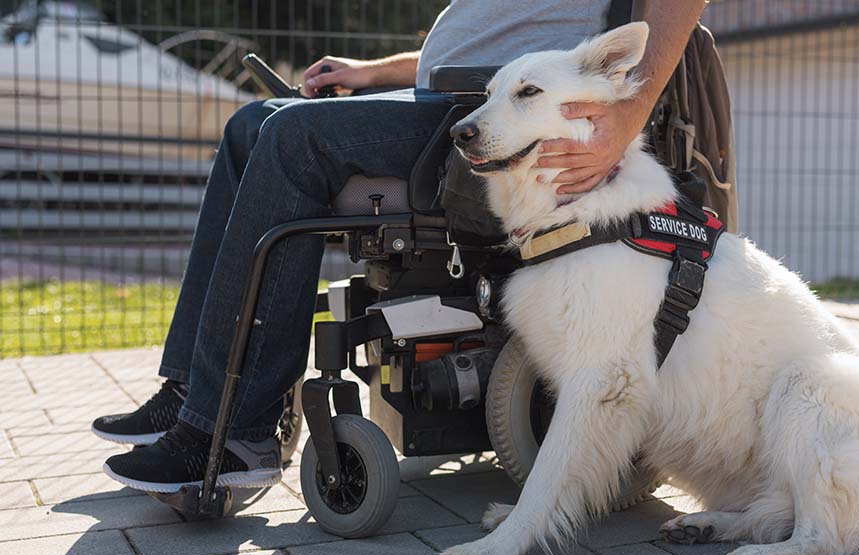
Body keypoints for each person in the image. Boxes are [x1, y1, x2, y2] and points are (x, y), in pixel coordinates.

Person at [93, 0, 707, 492]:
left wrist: (625, 119)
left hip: (491, 116)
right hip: (453, 95)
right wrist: (372, 74)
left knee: (290, 138)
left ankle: (233, 431)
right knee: (249, 125)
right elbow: (473, 46)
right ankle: (190, 392)